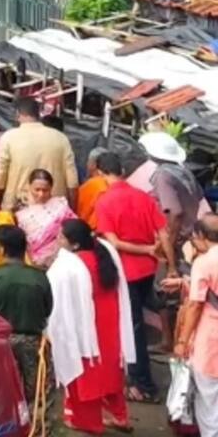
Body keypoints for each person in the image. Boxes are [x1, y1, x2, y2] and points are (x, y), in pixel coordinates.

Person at [89, 147, 167, 402]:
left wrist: (145, 248)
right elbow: (163, 233)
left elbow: (114, 242)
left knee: (133, 329)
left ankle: (142, 385)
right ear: (122, 171)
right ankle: (137, 376)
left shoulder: (104, 201)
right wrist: (169, 262)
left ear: (101, 173)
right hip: (148, 268)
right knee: (139, 324)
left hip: (126, 271)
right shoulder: (144, 197)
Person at [53, 216, 132, 434]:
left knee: (87, 375)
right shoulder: (104, 254)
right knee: (110, 372)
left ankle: (89, 422)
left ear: (75, 244)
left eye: (61, 237)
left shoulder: (71, 264)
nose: (58, 240)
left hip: (88, 328)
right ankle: (120, 416)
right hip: (111, 324)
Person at [0, 223, 52, 406]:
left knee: (5, 390)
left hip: (2, 342)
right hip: (32, 341)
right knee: (36, 390)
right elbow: (48, 308)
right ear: (24, 248)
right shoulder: (39, 277)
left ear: (2, 249)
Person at [169, 213, 218, 437]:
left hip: (211, 338)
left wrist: (182, 340)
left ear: (201, 236)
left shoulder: (205, 262)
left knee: (209, 401)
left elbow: (195, 306)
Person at [0, 94, 78, 201]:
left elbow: (0, 178)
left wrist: (1, 201)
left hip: (20, 203)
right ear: (38, 114)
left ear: (17, 114)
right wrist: (72, 208)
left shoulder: (8, 138)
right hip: (54, 206)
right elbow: (72, 180)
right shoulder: (60, 138)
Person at [16, 166, 75, 267]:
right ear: (29, 187)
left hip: (63, 260)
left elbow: (74, 230)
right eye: (37, 190)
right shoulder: (21, 211)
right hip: (36, 264)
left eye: (45, 190)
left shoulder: (61, 206)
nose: (41, 194)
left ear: (51, 188)